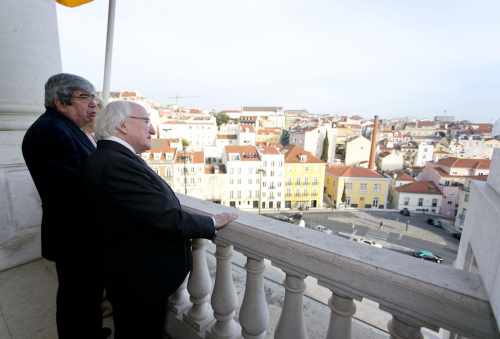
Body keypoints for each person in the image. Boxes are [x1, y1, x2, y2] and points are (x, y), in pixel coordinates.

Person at [83, 100, 238, 339]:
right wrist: (211, 222)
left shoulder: (108, 158)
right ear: (123, 126)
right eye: (146, 122)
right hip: (138, 279)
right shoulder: (116, 163)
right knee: (141, 331)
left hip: (129, 274)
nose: (153, 130)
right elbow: (160, 215)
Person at [22, 73, 109, 338]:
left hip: (73, 234)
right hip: (76, 236)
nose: (93, 104)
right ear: (60, 102)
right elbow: (75, 189)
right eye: (85, 97)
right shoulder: (52, 132)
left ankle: (90, 331)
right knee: (77, 298)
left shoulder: (61, 128)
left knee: (84, 295)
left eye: (93, 97)